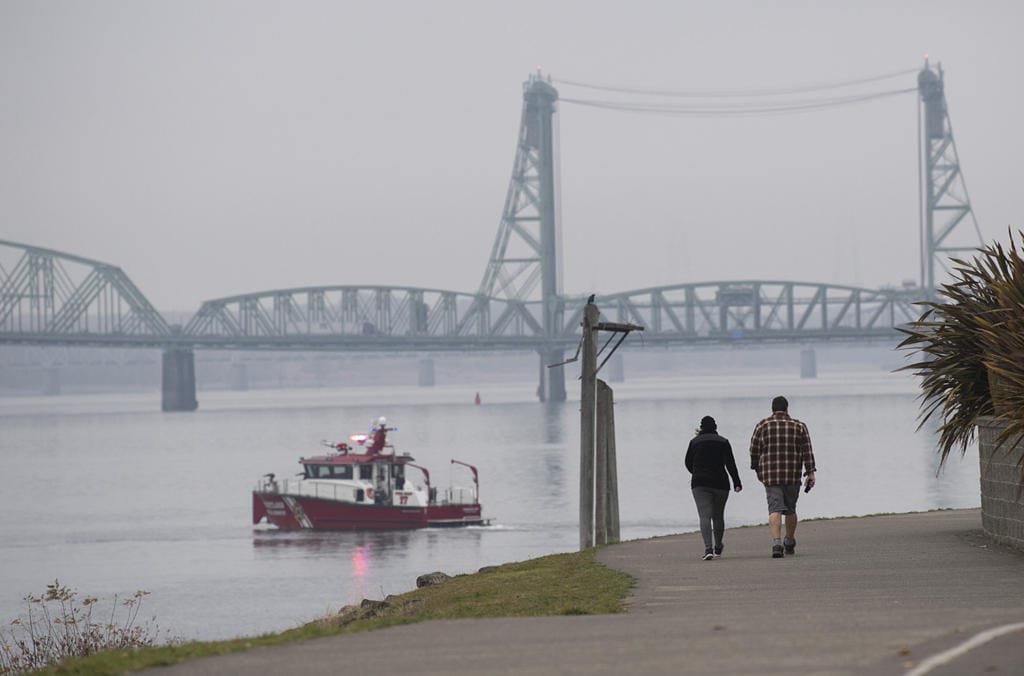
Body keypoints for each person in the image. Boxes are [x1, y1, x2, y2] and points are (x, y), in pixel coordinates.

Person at [749, 396, 816, 559]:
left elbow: (754, 450)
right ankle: (789, 540)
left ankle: (776, 543)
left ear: (772, 408)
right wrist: (810, 472)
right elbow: (807, 451)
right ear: (787, 408)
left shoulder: (762, 425)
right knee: (791, 509)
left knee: (774, 509)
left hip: (770, 476)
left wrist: (757, 469)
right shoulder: (799, 426)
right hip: (792, 475)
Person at [685, 415, 743, 560]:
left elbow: (687, 462)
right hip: (720, 483)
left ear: (701, 427)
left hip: (700, 484)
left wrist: (697, 472)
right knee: (718, 516)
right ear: (715, 427)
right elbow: (731, 464)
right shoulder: (723, 442)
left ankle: (708, 549)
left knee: (704, 516)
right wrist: (737, 482)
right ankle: (718, 546)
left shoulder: (694, 442)